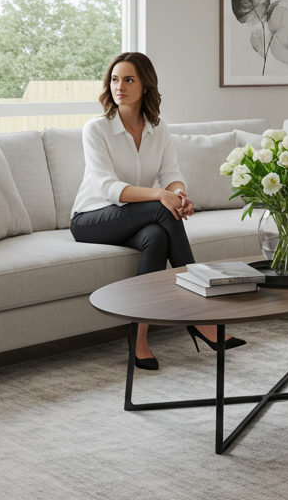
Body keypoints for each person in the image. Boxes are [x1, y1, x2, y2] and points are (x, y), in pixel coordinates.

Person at [70, 51, 245, 370]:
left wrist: (178, 194)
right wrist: (163, 198)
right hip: (91, 219)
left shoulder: (157, 127)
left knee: (156, 237)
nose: (118, 86)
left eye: (128, 79)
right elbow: (108, 187)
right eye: (114, 79)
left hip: (137, 219)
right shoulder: (96, 129)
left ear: (146, 86)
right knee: (161, 212)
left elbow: (171, 173)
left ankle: (138, 338)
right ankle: (201, 317)